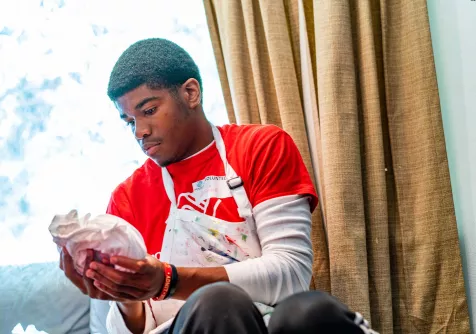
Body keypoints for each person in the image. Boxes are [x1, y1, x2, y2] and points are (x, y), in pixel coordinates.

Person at [59, 38, 376, 334]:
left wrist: (168, 281)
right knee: (217, 302)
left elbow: (291, 274)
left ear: (190, 93)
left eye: (149, 111)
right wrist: (125, 296)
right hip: (192, 324)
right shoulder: (127, 199)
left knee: (309, 313)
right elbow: (130, 326)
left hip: (266, 322)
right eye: (129, 122)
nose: (139, 131)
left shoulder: (259, 147)